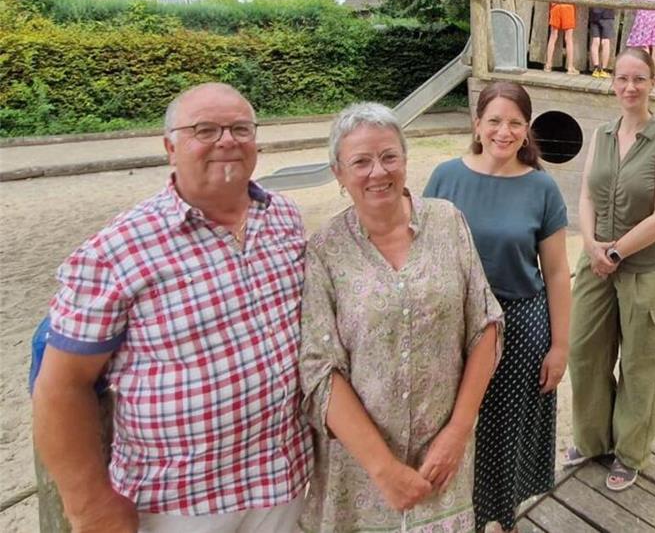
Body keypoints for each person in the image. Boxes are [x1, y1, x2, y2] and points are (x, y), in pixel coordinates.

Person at [32, 82, 310, 533]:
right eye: (205, 129)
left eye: (241, 128)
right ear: (170, 147)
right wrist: (89, 504)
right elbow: (61, 387)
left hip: (282, 484)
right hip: (178, 504)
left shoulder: (285, 219)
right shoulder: (116, 251)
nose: (227, 141)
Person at [299, 103, 503, 533]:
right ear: (338, 173)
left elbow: (484, 323)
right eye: (361, 161)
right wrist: (384, 471)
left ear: (405, 161)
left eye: (389, 156)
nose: (378, 172)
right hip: (361, 472)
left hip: (442, 460)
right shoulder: (324, 251)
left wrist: (458, 432)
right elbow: (319, 371)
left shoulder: (448, 222)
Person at [424, 82, 570, 533]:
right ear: (477, 124)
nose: (503, 132)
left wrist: (560, 347)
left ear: (527, 130)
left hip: (521, 326)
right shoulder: (445, 177)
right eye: (494, 121)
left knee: (504, 432)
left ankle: (502, 521)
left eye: (514, 123)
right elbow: (425, 255)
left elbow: (558, 273)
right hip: (456, 324)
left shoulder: (543, 188)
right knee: (452, 428)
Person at [564, 47, 655, 492]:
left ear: (654, 83)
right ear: (612, 82)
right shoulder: (601, 134)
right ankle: (592, 439)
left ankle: (630, 451)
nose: (630, 87)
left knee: (640, 366)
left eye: (639, 78)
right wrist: (591, 244)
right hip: (596, 263)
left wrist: (614, 253)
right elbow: (587, 194)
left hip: (647, 271)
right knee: (584, 351)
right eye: (622, 78)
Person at [586, 0, 620, 78]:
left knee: (595, 41)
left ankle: (595, 68)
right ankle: (604, 69)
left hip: (595, 14)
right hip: (607, 15)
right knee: (606, 42)